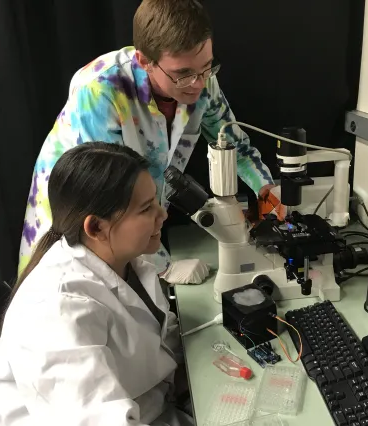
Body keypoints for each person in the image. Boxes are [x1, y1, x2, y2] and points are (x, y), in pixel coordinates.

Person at [19, 0, 281, 281]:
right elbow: (111, 195)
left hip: (134, 223)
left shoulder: (201, 79)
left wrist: (269, 195)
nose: (199, 84)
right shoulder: (99, 90)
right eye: (183, 74)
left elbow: (235, 146)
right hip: (76, 224)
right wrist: (163, 267)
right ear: (145, 61)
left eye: (207, 67)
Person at [0, 143, 192, 425]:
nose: (163, 214)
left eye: (156, 201)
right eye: (146, 209)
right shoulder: (56, 310)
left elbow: (160, 342)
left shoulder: (126, 264)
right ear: (96, 227)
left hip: (154, 407)